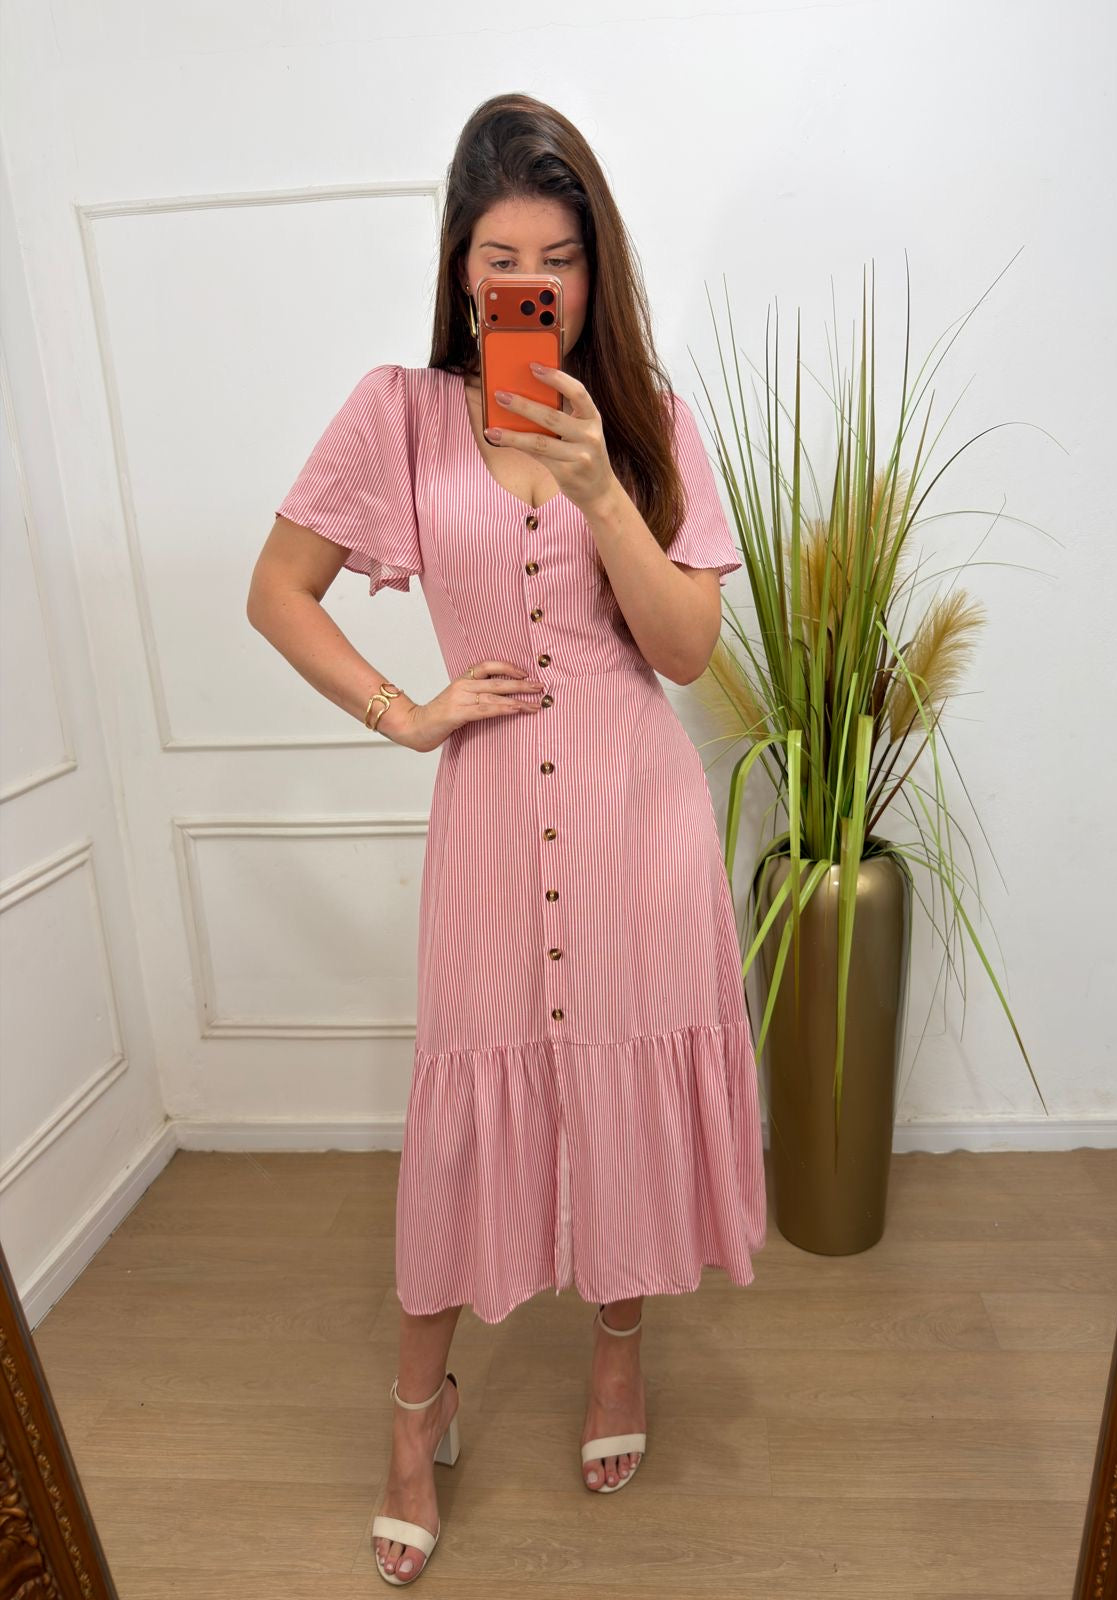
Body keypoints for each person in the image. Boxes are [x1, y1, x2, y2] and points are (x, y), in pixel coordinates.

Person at [247, 92, 767, 1589]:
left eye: (558, 258)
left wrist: (603, 486)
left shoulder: (647, 422)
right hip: (486, 819)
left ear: (596, 270)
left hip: (632, 818)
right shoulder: (399, 415)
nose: (528, 285)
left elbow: (683, 652)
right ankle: (418, 1415)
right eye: (499, 259)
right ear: (461, 268)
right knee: (467, 1101)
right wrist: (404, 713)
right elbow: (277, 590)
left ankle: (620, 1349)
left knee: (625, 1084)